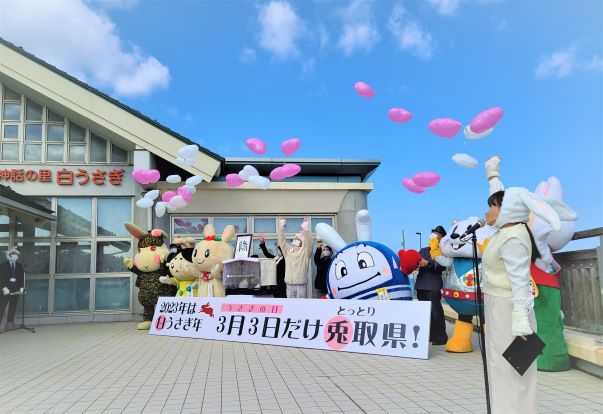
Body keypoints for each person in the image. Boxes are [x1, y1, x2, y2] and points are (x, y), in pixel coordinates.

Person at [481, 156, 574, 413]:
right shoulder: (507, 230)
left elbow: (521, 282)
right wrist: (493, 176)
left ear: (507, 210)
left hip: (509, 312)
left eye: (492, 207)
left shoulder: (513, 239)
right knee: (504, 369)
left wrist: (520, 320)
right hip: (501, 309)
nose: (487, 212)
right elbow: (504, 197)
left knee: (512, 372)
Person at [416, 226, 448, 345]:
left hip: (433, 285)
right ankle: (428, 335)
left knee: (435, 311)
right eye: (433, 233)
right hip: (421, 284)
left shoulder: (444, 250)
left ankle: (440, 337)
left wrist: (428, 263)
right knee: (424, 312)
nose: (434, 235)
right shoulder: (423, 250)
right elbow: (416, 261)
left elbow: (443, 265)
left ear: (442, 237)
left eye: (437, 234)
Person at [278, 216, 313, 298]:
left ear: (302, 241)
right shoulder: (288, 251)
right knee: (290, 307)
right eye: (295, 238)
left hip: (300, 286)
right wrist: (281, 227)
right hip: (289, 285)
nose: (295, 239)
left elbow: (310, 243)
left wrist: (306, 229)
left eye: (298, 238)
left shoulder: (305, 253)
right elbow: (281, 241)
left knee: (301, 307)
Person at [0, 247, 24, 332]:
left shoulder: (19, 266)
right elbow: (1, 278)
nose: (15, 256)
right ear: (9, 255)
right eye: (13, 254)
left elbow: (21, 278)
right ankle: (1, 326)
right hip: (5, 290)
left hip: (15, 290)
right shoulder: (3, 265)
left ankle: (9, 324)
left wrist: (21, 287)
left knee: (13, 307)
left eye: (16, 254)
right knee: (2, 307)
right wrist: (3, 287)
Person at [257, 233, 286, 298]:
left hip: (282, 284)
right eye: (277, 249)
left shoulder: (285, 259)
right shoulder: (275, 258)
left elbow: (284, 252)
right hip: (274, 284)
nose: (277, 250)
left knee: (282, 300)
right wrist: (262, 242)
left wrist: (280, 245)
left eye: (278, 249)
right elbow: (266, 254)